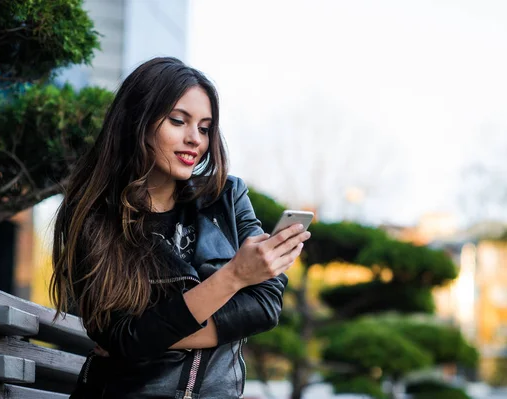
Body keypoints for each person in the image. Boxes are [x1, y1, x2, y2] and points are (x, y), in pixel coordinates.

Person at [50, 57, 311, 399]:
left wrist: (147, 336)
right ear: (137, 121)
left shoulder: (227, 198)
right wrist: (233, 277)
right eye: (178, 121)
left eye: (204, 128)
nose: (195, 140)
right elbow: (120, 335)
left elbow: (264, 305)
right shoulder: (93, 213)